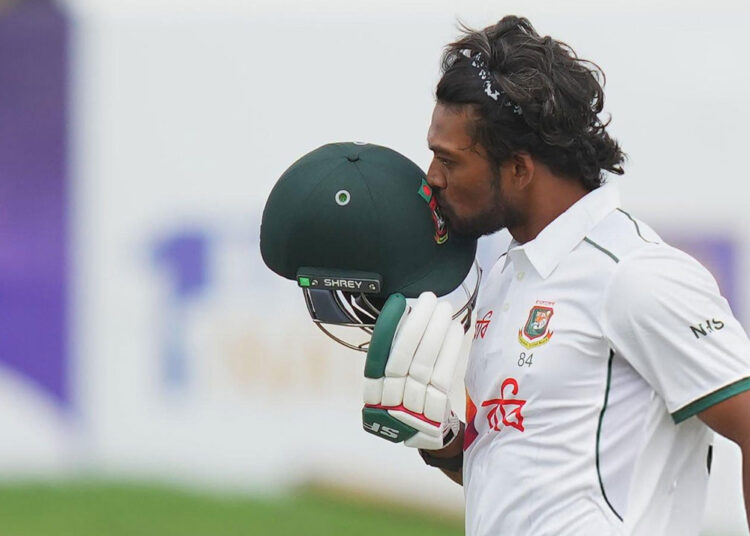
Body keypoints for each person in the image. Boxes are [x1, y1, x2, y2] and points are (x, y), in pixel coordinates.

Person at [363, 15, 750, 535]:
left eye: (448, 160)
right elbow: (522, 480)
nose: (432, 177)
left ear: (519, 169)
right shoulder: (506, 274)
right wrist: (442, 441)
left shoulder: (634, 275)